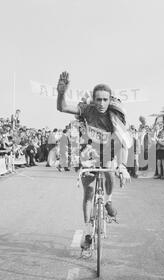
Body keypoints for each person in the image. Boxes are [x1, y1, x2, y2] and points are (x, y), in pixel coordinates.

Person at [56, 71, 131, 250]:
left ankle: (108, 201)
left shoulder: (115, 114)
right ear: (93, 99)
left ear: (110, 99)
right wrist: (61, 92)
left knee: (109, 171)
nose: (102, 104)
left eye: (105, 100)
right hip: (88, 153)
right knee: (88, 193)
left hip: (107, 153)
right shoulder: (87, 109)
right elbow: (63, 107)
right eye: (98, 99)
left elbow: (124, 142)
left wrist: (122, 166)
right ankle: (88, 232)